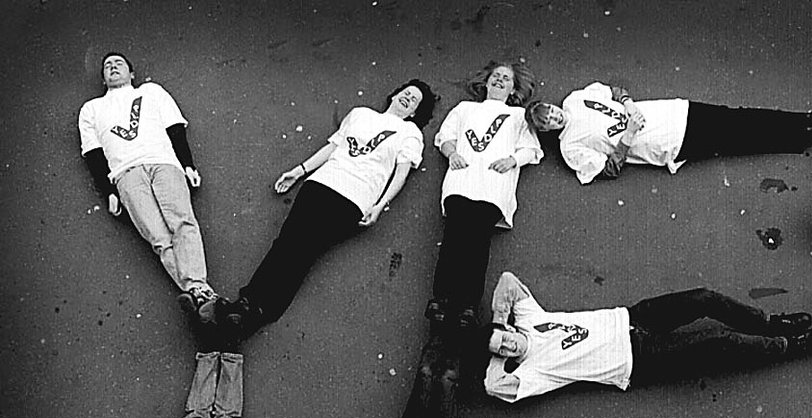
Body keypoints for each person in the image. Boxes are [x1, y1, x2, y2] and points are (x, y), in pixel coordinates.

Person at [218, 79, 437, 337]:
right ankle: (245, 304)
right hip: (320, 184)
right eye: (406, 92)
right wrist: (299, 171)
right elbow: (333, 148)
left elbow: (400, 173)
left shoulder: (410, 133)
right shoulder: (360, 114)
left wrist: (379, 206)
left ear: (414, 112)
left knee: (304, 249)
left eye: (414, 100)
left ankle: (258, 312)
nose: (407, 98)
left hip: (353, 197)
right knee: (286, 242)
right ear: (395, 94)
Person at [482, 271, 812, 403]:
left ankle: (768, 323)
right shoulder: (533, 372)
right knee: (720, 341)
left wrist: (499, 320)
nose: (509, 344)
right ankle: (785, 347)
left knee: (704, 297)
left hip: (633, 317)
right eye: (504, 349)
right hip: (640, 359)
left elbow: (508, 281)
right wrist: (496, 357)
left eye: (504, 338)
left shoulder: (530, 320)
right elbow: (493, 387)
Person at [78, 52, 218, 321]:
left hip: (163, 162)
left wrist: (188, 165)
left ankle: (197, 290)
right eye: (107, 66)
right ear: (104, 79)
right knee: (159, 238)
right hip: (126, 174)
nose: (112, 67)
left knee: (183, 223)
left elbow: (175, 127)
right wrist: (108, 192)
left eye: (119, 63)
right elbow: (93, 154)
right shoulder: (91, 109)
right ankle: (201, 294)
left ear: (132, 73)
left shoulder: (151, 92)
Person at [424, 60, 543, 329]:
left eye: (506, 79)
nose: (500, 81)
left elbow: (531, 149)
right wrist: (452, 153)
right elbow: (446, 135)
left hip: (493, 185)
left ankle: (467, 304)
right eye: (496, 76)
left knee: (477, 244)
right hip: (462, 179)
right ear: (486, 82)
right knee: (453, 239)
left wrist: (512, 161)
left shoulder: (517, 116)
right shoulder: (466, 108)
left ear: (513, 90)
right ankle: (441, 299)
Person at [525, 82, 812, 184]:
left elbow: (614, 91)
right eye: (547, 122)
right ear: (546, 131)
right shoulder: (570, 149)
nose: (554, 116)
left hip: (673, 112)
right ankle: (802, 137)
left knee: (739, 116)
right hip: (670, 143)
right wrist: (629, 135)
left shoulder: (574, 99)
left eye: (549, 111)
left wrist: (629, 104)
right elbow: (610, 169)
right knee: (739, 140)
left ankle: (805, 119)